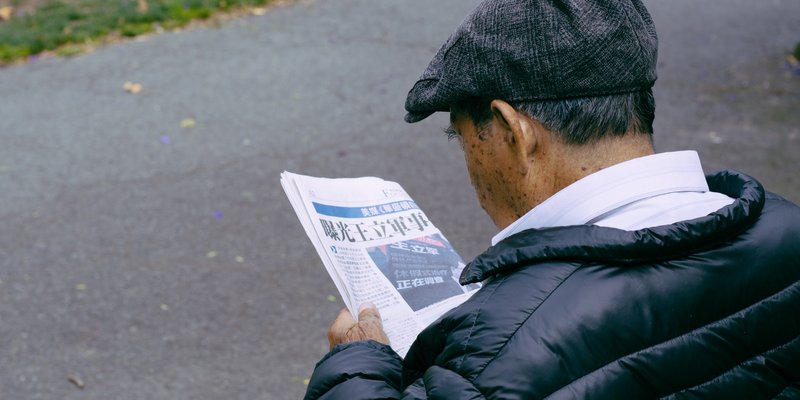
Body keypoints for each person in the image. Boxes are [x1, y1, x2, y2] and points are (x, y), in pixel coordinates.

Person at [304, 0, 800, 398]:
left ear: (512, 130)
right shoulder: (787, 231)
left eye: (461, 137)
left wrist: (358, 366)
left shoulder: (495, 354)